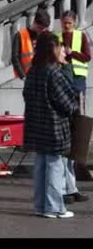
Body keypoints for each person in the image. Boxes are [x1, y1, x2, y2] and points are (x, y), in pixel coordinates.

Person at [23, 31, 80, 218]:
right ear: (52, 49)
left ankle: (40, 205)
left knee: (40, 166)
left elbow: (26, 95)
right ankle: (54, 207)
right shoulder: (53, 71)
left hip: (36, 125)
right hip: (54, 126)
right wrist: (74, 108)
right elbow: (65, 102)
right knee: (56, 166)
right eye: (58, 46)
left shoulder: (33, 70)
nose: (61, 49)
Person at [56, 11, 92, 182]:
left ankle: (78, 161)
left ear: (75, 22)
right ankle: (67, 155)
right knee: (65, 117)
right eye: (64, 23)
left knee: (78, 118)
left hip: (77, 80)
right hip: (63, 78)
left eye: (69, 23)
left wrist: (71, 53)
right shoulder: (57, 36)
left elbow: (87, 57)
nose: (67, 26)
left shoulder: (81, 35)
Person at [11, 9, 51, 80]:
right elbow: (15, 57)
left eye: (44, 29)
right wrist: (22, 75)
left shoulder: (45, 35)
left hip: (43, 75)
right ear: (34, 23)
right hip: (27, 76)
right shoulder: (20, 35)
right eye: (40, 28)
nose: (42, 31)